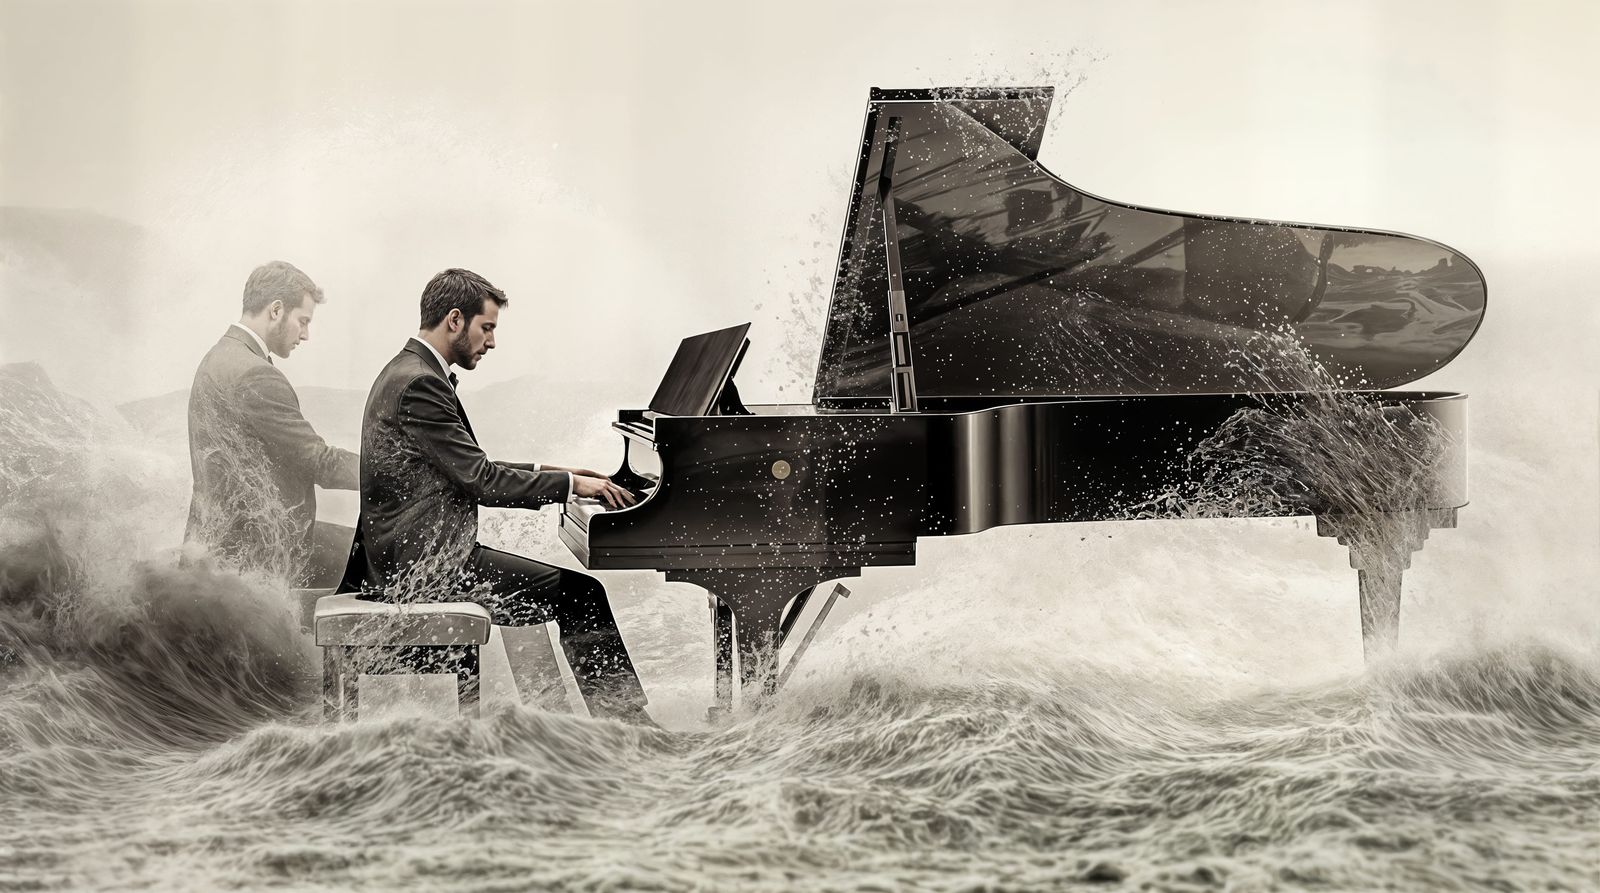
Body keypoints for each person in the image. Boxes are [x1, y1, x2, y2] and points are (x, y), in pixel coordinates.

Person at [339, 268, 654, 725]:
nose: (491, 342)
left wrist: (558, 472)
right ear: (453, 320)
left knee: (572, 594)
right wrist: (570, 487)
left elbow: (466, 465)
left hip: (410, 556)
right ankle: (627, 727)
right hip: (425, 571)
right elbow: (482, 480)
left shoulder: (409, 370)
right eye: (486, 328)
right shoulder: (420, 384)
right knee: (583, 595)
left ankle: (563, 720)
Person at [184, 261, 359, 587]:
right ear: (276, 310)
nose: (305, 335)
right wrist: (392, 472)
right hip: (259, 556)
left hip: (215, 548)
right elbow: (320, 463)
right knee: (373, 561)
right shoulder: (255, 373)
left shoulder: (217, 357)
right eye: (303, 321)